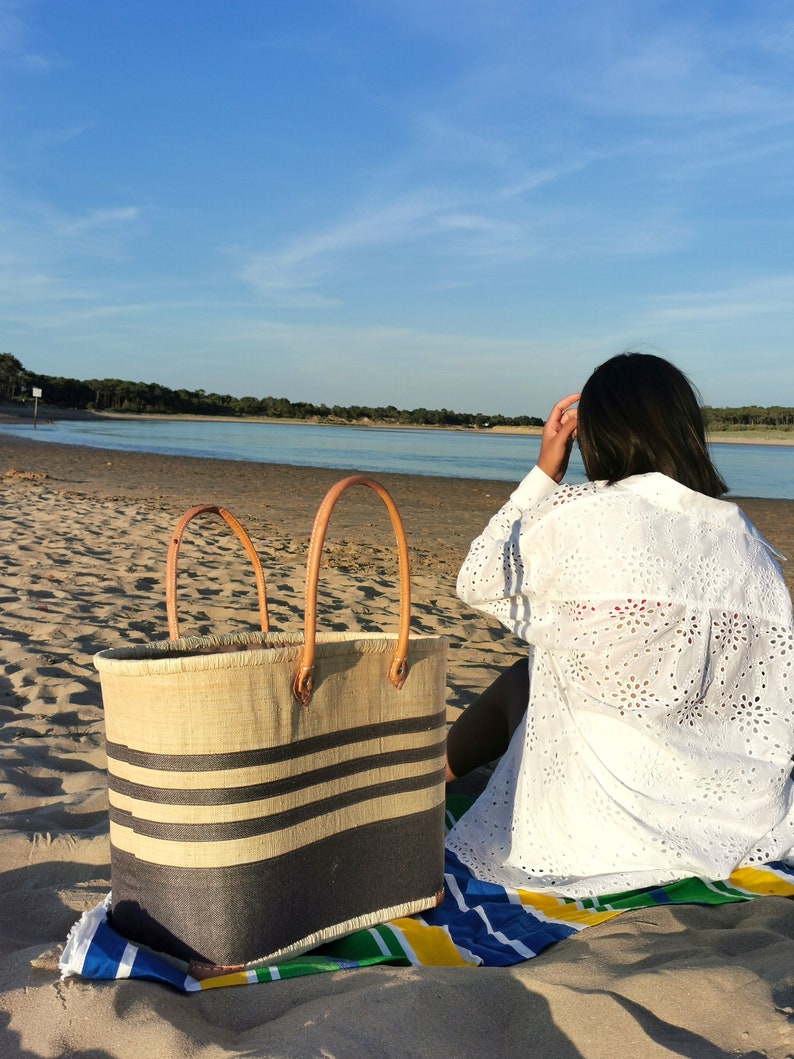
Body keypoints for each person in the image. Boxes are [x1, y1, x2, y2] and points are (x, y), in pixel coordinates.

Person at [445, 352, 794, 898]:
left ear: (597, 434)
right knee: (534, 673)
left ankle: (415, 789)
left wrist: (544, 473)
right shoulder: (749, 543)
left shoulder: (586, 512)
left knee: (529, 675)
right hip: (740, 815)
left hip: (604, 823)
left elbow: (479, 578)